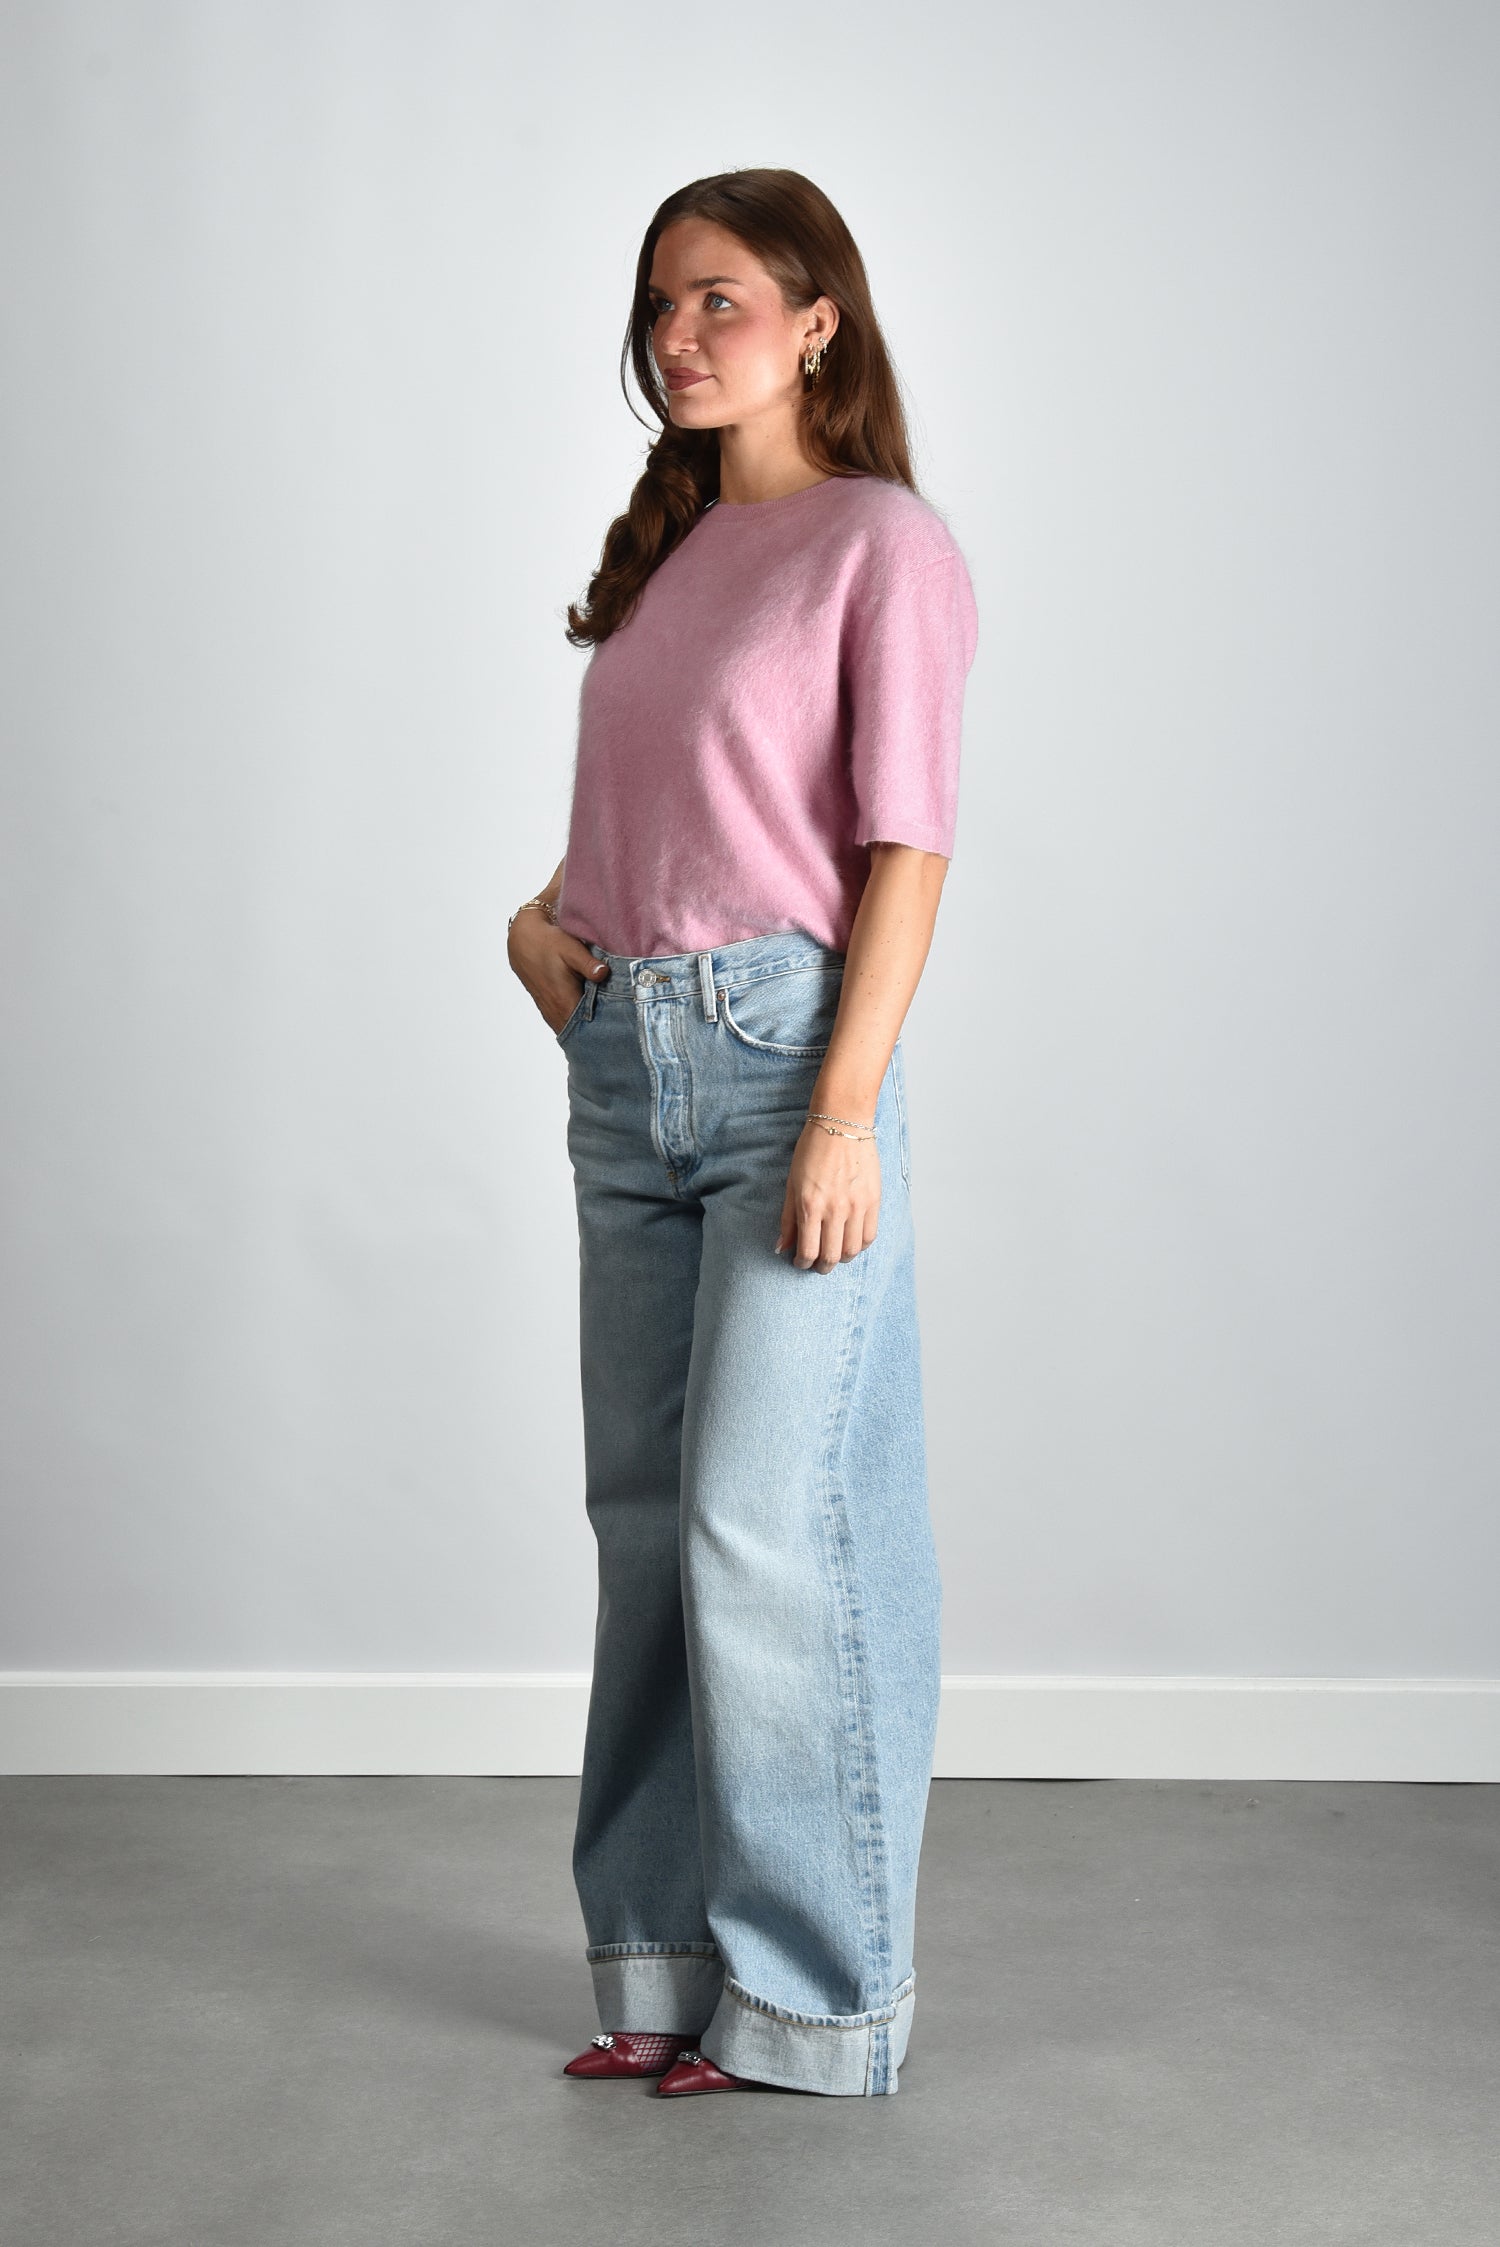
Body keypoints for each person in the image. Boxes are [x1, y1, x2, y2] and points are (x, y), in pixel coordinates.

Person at [506, 168, 979, 2099]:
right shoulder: (677, 556)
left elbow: (907, 848)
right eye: (658, 304)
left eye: (716, 298)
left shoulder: (884, 543)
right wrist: (540, 923)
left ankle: (818, 1998)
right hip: (628, 1066)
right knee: (645, 1530)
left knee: (762, 1526)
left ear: (816, 321)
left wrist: (845, 1110)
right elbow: (669, 808)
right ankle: (657, 1960)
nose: (677, 335)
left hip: (789, 1061)